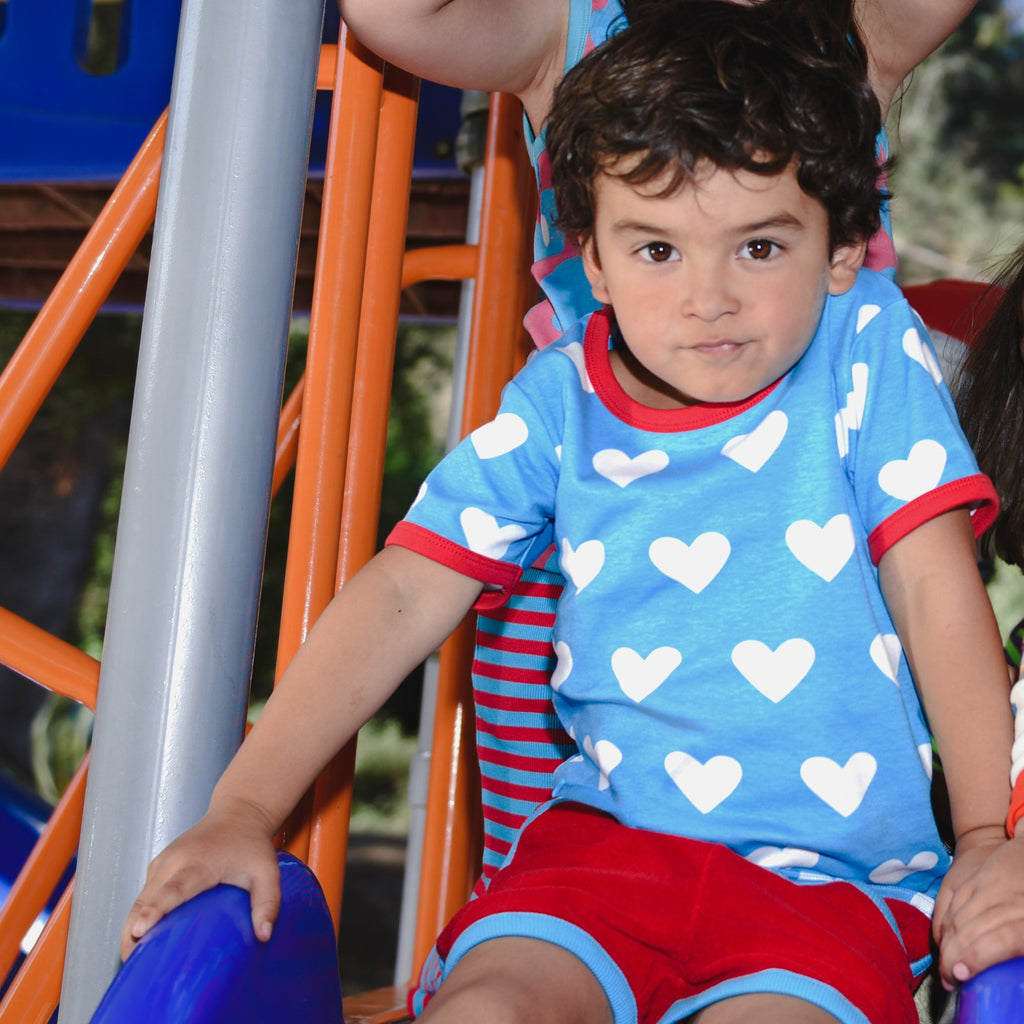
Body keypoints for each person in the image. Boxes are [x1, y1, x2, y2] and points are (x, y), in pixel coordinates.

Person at [123, 4, 1018, 1021]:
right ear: (592, 262)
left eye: (760, 248)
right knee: (488, 1008)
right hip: (601, 858)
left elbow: (933, 586)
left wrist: (985, 836)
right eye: (657, 251)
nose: (708, 298)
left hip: (827, 888)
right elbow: (406, 592)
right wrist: (243, 808)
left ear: (844, 248)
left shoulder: (864, 348)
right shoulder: (562, 400)